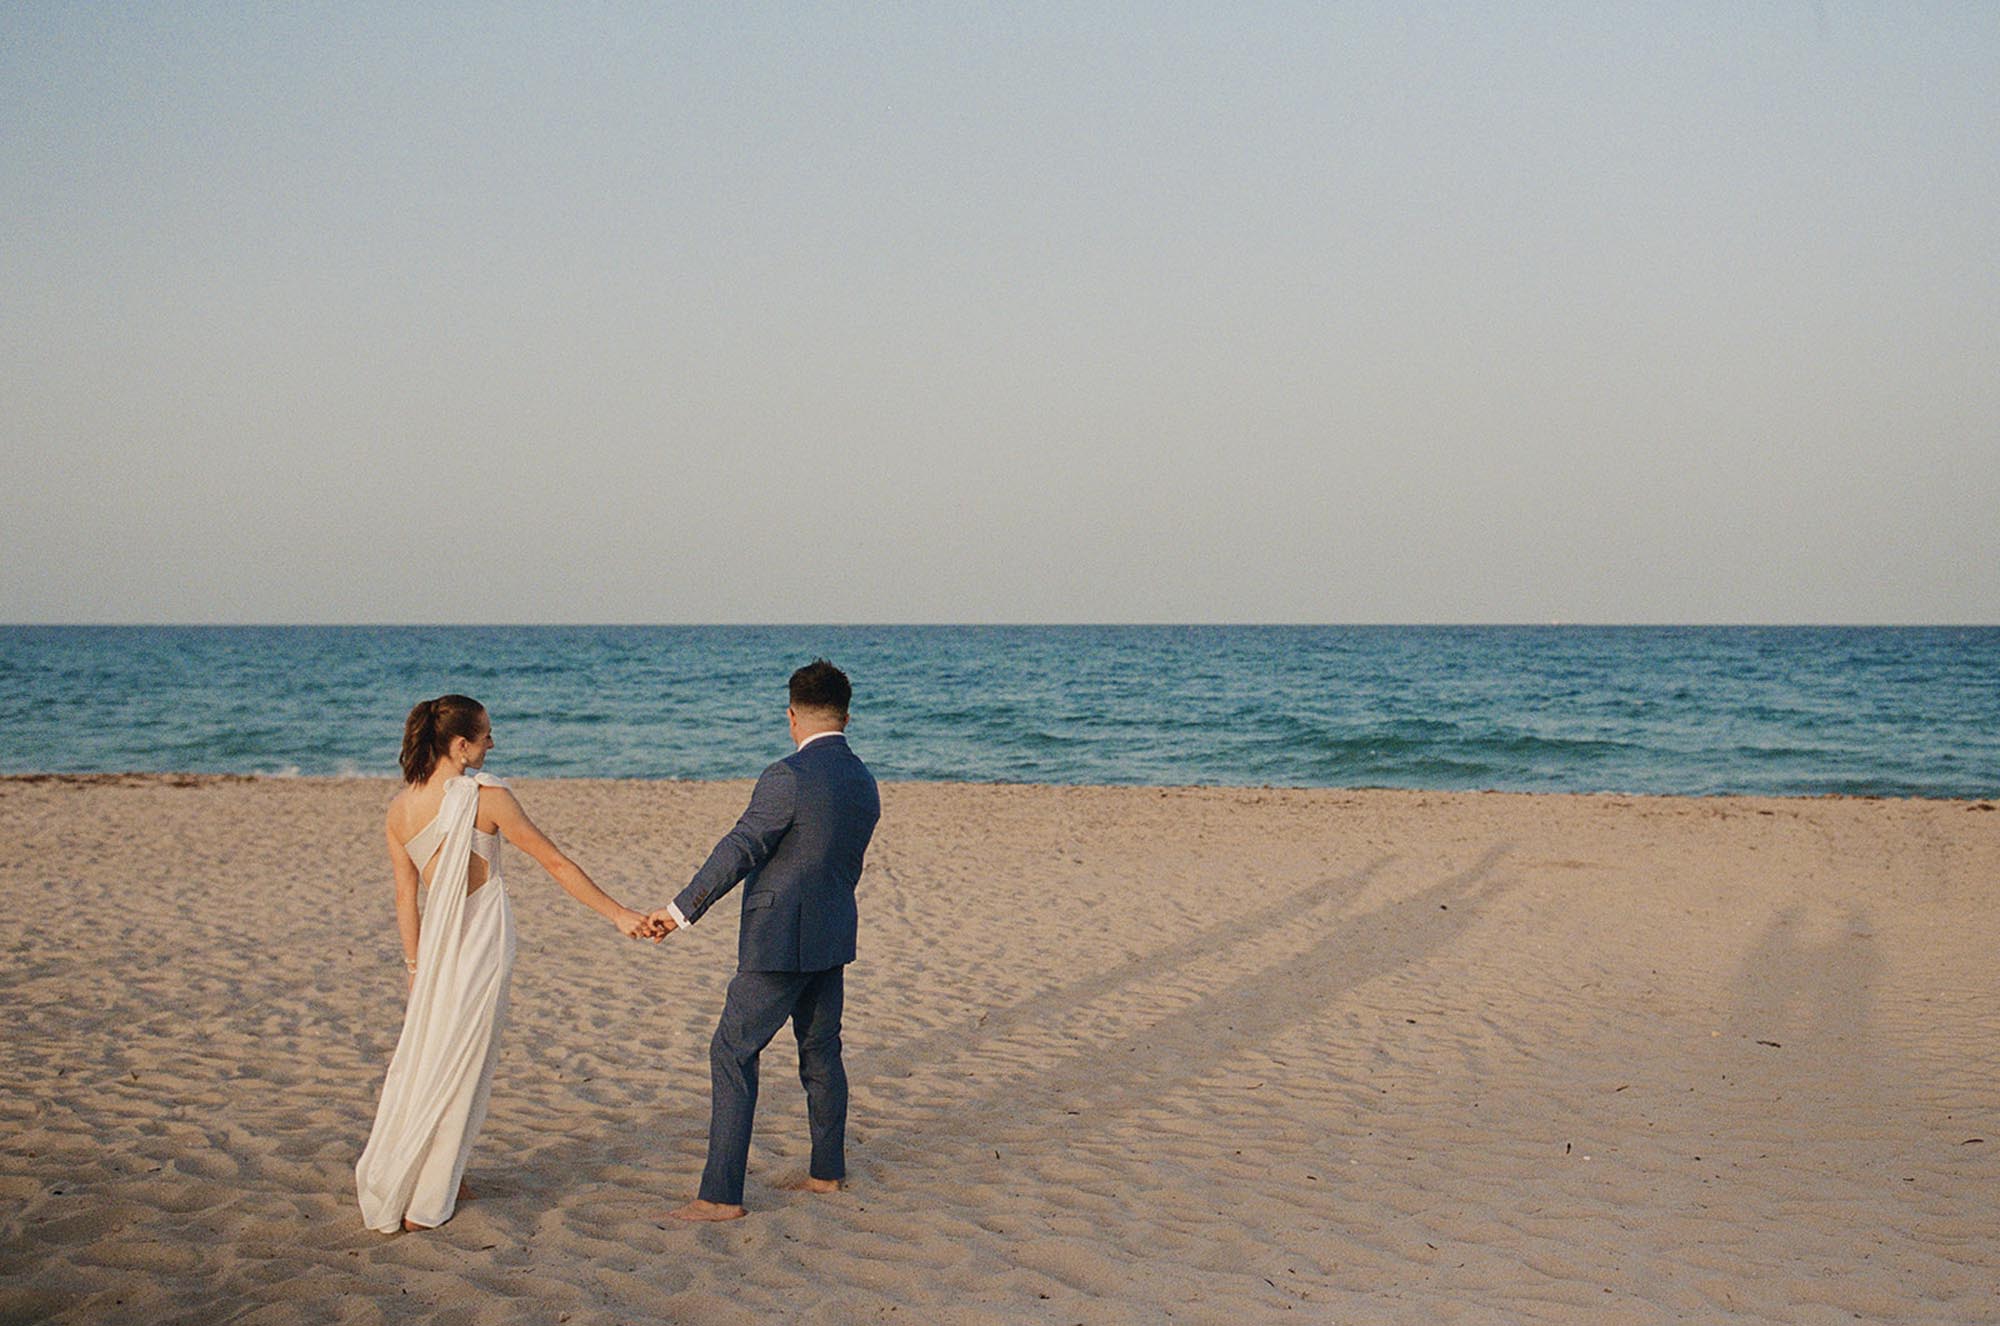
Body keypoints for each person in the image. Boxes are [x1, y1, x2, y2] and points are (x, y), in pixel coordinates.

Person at [356, 694, 661, 1233]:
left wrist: (413, 969)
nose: (492, 744)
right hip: (479, 943)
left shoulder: (400, 809)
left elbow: (407, 899)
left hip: (434, 955)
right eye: (486, 735)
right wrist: (618, 913)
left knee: (438, 1056)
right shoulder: (487, 797)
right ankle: (429, 1197)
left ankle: (445, 1173)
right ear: (460, 745)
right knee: (467, 1059)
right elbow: (554, 861)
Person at [648, 659, 880, 1221]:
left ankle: (721, 1196)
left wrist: (680, 911)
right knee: (822, 1053)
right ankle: (827, 1173)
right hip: (831, 934)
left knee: (731, 1052)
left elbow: (741, 846)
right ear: (846, 717)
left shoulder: (787, 776)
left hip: (779, 941)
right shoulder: (863, 780)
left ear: (791, 715)